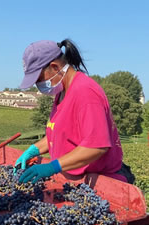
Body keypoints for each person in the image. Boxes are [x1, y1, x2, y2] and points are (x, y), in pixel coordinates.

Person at [14, 39, 135, 185]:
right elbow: (59, 135)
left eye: (39, 79)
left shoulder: (85, 92)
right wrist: (33, 150)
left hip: (102, 182)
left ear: (55, 67)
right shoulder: (62, 92)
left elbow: (96, 146)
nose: (38, 85)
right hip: (77, 179)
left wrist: (53, 167)